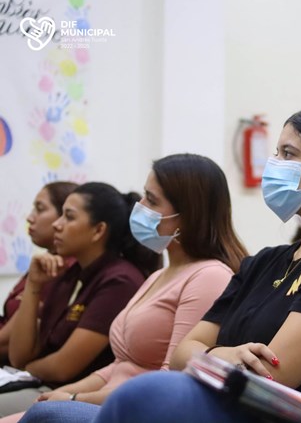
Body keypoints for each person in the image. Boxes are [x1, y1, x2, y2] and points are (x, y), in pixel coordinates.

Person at [32, 106, 301, 423]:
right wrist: (221, 355)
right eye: (275, 153)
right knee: (52, 413)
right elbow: (181, 353)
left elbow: (275, 373)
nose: (275, 165)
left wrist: (205, 356)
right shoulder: (265, 262)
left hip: (269, 414)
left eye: (289, 154)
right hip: (220, 401)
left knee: (130, 398)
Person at [4, 154, 245, 422]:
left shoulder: (208, 276)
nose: (139, 206)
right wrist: (64, 394)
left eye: (151, 200)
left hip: (137, 411)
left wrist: (73, 399)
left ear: (187, 214)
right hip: (106, 400)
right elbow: (119, 366)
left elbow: (169, 382)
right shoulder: (159, 276)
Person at [0, 182, 161, 417]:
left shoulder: (120, 281)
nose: (57, 224)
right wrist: (34, 284)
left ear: (98, 231)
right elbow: (19, 355)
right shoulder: (66, 272)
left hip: (73, 395)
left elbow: (62, 368)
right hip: (39, 382)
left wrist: (27, 369)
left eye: (69, 217)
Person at [0, 182, 77, 363]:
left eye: (40, 209)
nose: (29, 218)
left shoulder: (61, 269)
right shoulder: (44, 261)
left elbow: (10, 341)